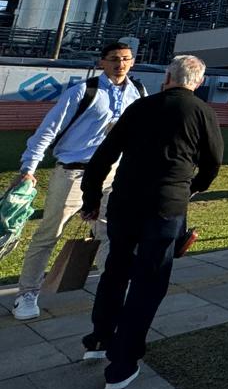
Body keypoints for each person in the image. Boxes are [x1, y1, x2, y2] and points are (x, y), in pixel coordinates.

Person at [79, 54, 223, 389]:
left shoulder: (139, 108)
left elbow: (104, 156)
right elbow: (213, 162)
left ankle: (100, 337)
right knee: (149, 280)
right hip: (166, 204)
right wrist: (192, 187)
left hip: (125, 201)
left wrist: (90, 198)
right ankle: (123, 361)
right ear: (197, 82)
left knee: (116, 269)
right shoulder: (202, 112)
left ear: (167, 77)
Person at [9, 41, 146, 322]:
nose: (120, 64)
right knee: (50, 232)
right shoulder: (84, 91)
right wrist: (29, 167)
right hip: (75, 172)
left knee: (110, 233)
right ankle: (27, 293)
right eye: (114, 59)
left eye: (126, 59)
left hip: (114, 174)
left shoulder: (139, 93)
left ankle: (112, 290)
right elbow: (48, 130)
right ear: (102, 62)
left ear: (133, 61)